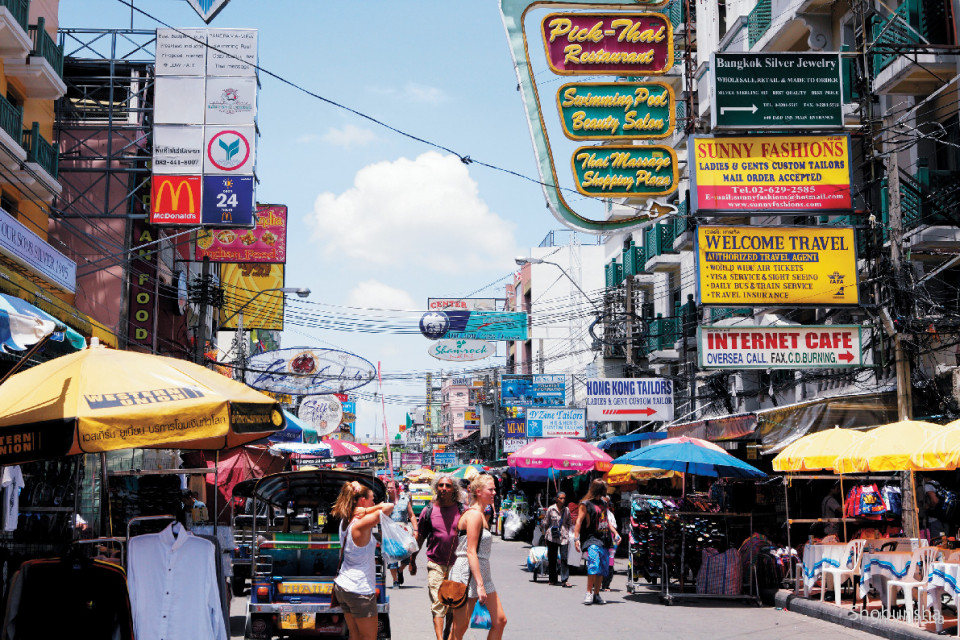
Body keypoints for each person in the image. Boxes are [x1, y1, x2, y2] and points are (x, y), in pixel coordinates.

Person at [331, 481, 394, 640]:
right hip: (359, 589)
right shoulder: (360, 523)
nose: (374, 503)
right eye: (372, 499)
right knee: (368, 637)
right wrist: (368, 510)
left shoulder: (345, 521)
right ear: (362, 501)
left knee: (355, 635)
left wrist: (365, 509)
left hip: (344, 586)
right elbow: (389, 507)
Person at [409, 474, 467, 640]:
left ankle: (447, 633)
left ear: (453, 489)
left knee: (453, 605)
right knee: (438, 602)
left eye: (447, 486)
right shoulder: (429, 511)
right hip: (436, 564)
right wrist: (412, 560)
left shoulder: (463, 511)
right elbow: (420, 538)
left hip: (458, 566)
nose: (443, 488)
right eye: (441, 485)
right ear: (436, 488)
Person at [450, 475, 507, 640]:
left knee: (500, 620)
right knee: (459, 628)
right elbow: (470, 551)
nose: (494, 493)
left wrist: (482, 582)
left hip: (482, 575)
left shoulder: (482, 515)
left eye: (494, 489)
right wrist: (480, 586)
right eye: (491, 489)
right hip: (467, 575)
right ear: (478, 492)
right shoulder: (474, 515)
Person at [573, 478, 613, 605]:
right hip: (592, 539)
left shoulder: (604, 503)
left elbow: (606, 520)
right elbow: (579, 521)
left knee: (602, 568)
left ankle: (596, 594)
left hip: (605, 538)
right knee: (593, 565)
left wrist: (616, 533)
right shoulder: (586, 504)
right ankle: (588, 592)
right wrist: (576, 538)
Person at [385, 479, 417, 588]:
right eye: (388, 487)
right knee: (392, 557)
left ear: (397, 489)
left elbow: (412, 515)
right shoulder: (385, 501)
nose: (389, 490)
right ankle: (395, 580)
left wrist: (415, 530)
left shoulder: (405, 500)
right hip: (391, 532)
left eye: (391, 488)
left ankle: (400, 570)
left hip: (404, 531)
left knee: (407, 555)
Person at [541, 492, 572, 587]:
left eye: (564, 498)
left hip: (564, 537)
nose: (563, 500)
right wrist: (545, 531)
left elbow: (569, 522)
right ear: (556, 499)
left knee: (564, 558)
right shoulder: (551, 509)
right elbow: (546, 522)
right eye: (561, 498)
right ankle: (552, 579)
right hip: (552, 537)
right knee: (552, 558)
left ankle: (564, 579)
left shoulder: (567, 510)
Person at [600, 496, 622, 592]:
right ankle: (594, 584)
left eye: (606, 502)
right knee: (597, 563)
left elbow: (612, 526)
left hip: (610, 542)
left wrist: (616, 535)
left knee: (609, 564)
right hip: (598, 541)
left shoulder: (610, 515)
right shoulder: (596, 512)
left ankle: (606, 585)